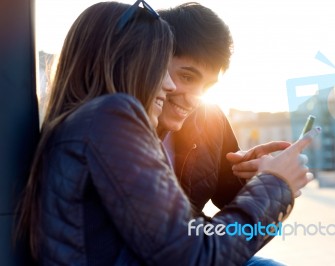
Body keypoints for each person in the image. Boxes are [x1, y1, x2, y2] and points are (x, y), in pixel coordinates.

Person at [16, 1, 315, 265]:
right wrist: (276, 185)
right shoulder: (111, 116)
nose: (173, 88)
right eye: (162, 68)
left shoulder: (87, 121)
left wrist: (258, 180)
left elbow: (185, 236)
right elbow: (192, 253)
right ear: (126, 60)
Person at [157, 3, 310, 265]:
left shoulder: (210, 118)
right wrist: (275, 185)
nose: (194, 99)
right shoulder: (123, 128)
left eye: (207, 86)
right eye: (187, 76)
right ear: (152, 60)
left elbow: (232, 208)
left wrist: (257, 176)